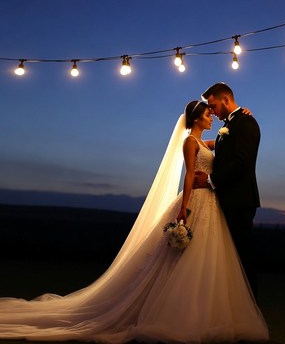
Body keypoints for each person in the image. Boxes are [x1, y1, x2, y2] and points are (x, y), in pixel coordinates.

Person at [0, 100, 269, 344]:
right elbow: (188, 176)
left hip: (211, 202)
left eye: (213, 112)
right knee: (185, 259)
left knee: (210, 259)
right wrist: (184, 208)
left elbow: (228, 145)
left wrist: (241, 116)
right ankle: (177, 315)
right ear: (197, 119)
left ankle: (208, 313)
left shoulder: (206, 143)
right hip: (196, 201)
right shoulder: (190, 143)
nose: (212, 117)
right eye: (208, 114)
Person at [194, 82, 261, 298]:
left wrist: (209, 180)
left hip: (240, 202)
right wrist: (195, 141)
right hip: (228, 200)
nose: (211, 111)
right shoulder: (230, 126)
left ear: (225, 99)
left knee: (242, 258)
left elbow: (243, 162)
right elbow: (224, 146)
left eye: (213, 106)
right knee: (229, 260)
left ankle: (249, 308)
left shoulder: (246, 123)